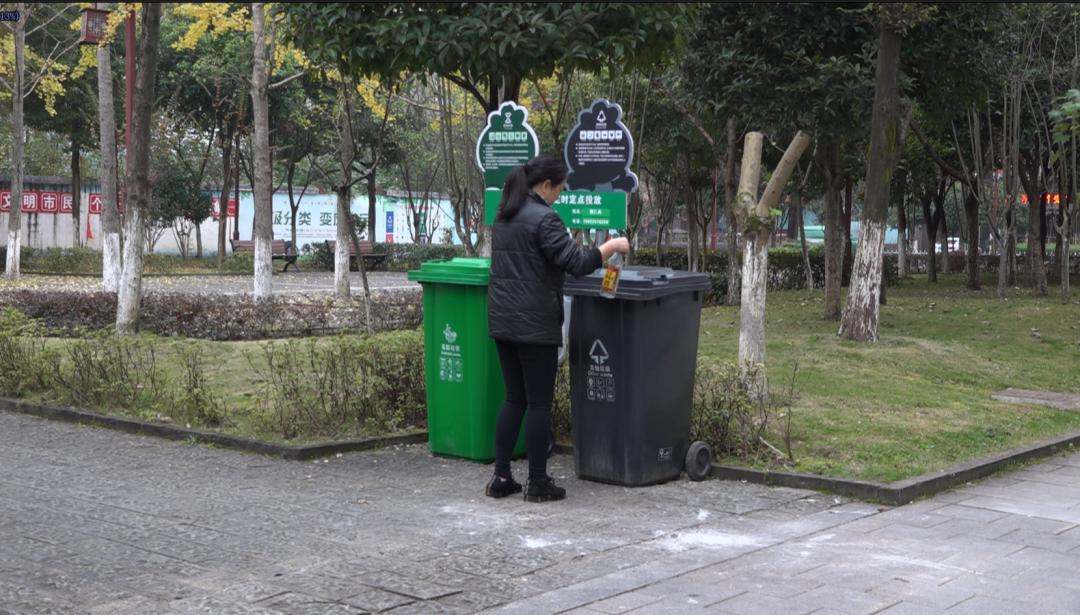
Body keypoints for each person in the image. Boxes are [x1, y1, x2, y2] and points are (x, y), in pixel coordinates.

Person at [485, 154, 629, 502]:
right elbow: (576, 263)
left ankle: (500, 477)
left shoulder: (504, 217)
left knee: (514, 400)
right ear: (545, 185)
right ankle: (537, 483)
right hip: (535, 326)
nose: (560, 197)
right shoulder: (544, 219)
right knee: (538, 405)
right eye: (560, 190)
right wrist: (611, 247)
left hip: (503, 323)